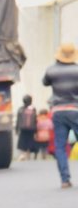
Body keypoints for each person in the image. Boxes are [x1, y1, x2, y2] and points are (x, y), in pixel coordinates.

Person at [42, 42, 78, 188]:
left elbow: (45, 82)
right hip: (75, 111)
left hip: (58, 112)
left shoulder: (51, 71)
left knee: (60, 147)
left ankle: (65, 179)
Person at [16, 94, 38, 161]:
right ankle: (29, 156)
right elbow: (35, 120)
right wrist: (36, 130)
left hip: (23, 128)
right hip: (32, 129)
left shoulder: (20, 109)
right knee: (30, 141)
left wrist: (16, 129)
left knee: (22, 141)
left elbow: (18, 120)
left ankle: (23, 155)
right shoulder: (33, 109)